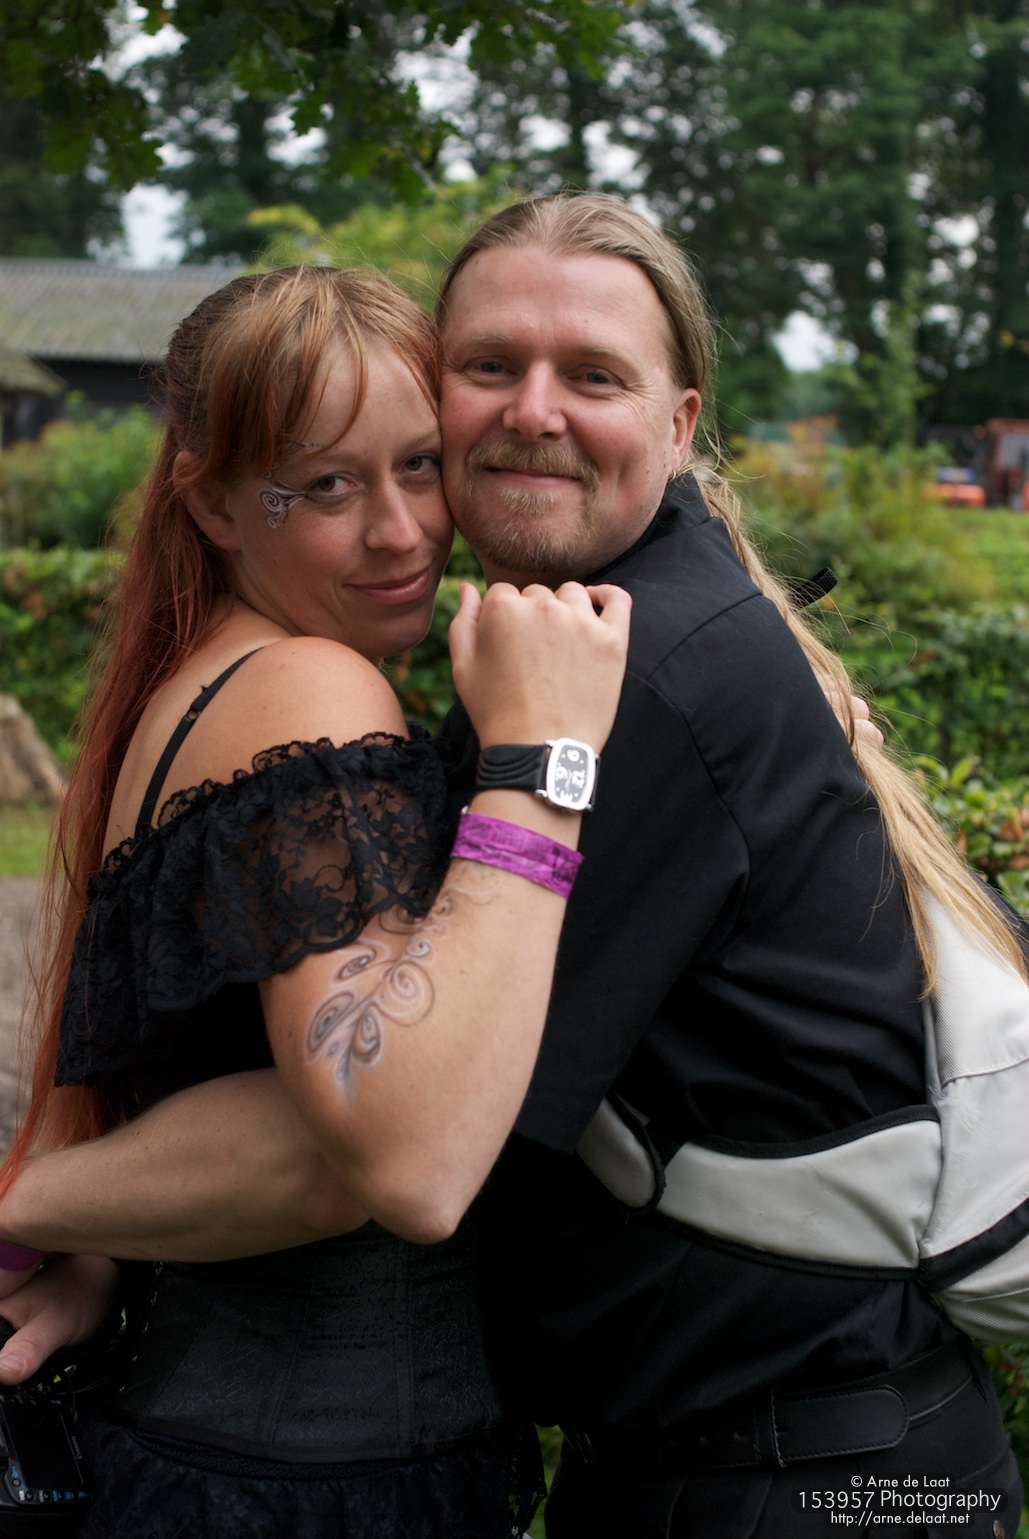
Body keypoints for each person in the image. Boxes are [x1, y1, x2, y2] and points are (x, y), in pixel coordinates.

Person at [0, 194, 1023, 1537]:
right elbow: (373, 1125)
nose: (402, 526)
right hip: (433, 1469)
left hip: (783, 1476)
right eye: (490, 365)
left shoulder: (622, 676)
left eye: (592, 374)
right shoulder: (435, 672)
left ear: (678, 422)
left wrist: (41, 1208)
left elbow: (385, 1146)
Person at [0, 261, 630, 1538]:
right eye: (327, 487)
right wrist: (543, 759)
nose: (401, 532)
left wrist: (62, 1219)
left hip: (215, 1455)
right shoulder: (310, 691)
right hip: (310, 1488)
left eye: (420, 466)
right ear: (214, 504)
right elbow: (402, 1156)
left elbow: (239, 1096)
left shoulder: (207, 679)